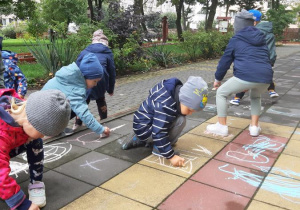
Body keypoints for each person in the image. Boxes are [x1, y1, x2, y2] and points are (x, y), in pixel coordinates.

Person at [0, 88, 71, 210]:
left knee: (35, 141)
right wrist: (22, 204)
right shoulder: (2, 135)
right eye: (42, 132)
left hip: (11, 137)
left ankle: (36, 183)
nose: (43, 136)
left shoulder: (26, 111)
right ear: (29, 122)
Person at [206, 9, 273, 137]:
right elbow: (266, 57)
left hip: (245, 76)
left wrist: (217, 79)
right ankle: (254, 127)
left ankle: (221, 126)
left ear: (238, 26)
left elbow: (225, 61)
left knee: (221, 93)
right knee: (255, 96)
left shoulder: (236, 39)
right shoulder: (261, 38)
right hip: (266, 77)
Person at [122, 76, 208, 167]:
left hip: (144, 125)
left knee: (178, 117)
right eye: (189, 109)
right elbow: (159, 132)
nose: (190, 113)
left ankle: (139, 138)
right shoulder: (165, 105)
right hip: (146, 128)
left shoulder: (174, 93)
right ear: (183, 99)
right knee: (181, 120)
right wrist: (171, 156)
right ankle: (158, 148)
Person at [42, 52, 110, 137]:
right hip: (44, 118)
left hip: (40, 111)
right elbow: (84, 113)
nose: (95, 84)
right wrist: (101, 129)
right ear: (86, 76)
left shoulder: (71, 77)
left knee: (73, 105)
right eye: (94, 81)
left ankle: (55, 129)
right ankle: (53, 130)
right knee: (76, 107)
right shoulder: (75, 88)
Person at [229, 9, 278, 106]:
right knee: (265, 74)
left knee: (244, 77)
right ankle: (271, 90)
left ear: (254, 22)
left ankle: (237, 98)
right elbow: (271, 48)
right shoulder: (269, 32)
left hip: (253, 60)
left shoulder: (254, 33)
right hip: (269, 60)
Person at [73, 29, 116, 130]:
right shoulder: (107, 53)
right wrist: (110, 89)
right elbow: (112, 71)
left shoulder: (84, 51)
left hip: (86, 80)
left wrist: (75, 84)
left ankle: (77, 123)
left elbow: (76, 67)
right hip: (101, 79)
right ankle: (104, 120)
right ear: (105, 43)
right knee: (101, 99)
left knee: (83, 101)